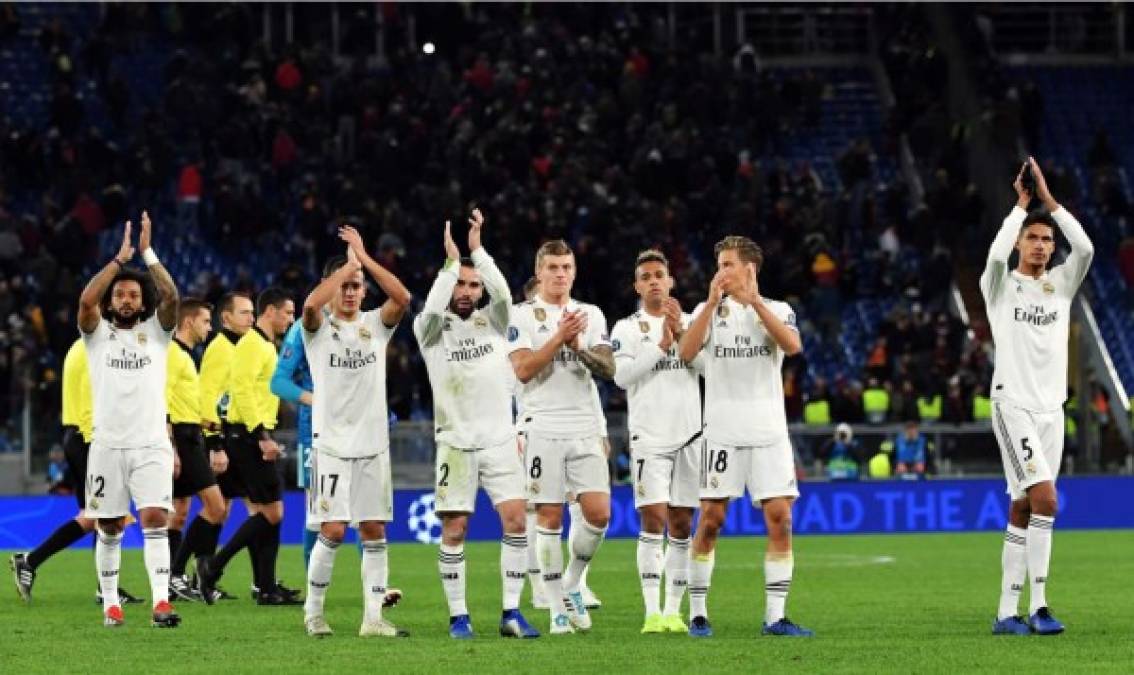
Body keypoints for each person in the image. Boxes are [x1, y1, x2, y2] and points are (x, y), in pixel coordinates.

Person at [678, 235, 814, 638]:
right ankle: (698, 613)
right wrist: (707, 303)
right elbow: (685, 353)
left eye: (727, 264)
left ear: (749, 268)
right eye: (719, 264)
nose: (720, 271)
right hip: (722, 433)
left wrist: (754, 303)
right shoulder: (708, 312)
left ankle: (775, 617)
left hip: (769, 433)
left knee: (781, 519)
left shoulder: (777, 309)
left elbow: (792, 346)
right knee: (712, 520)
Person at [415, 209, 540, 639]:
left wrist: (477, 251)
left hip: (500, 441)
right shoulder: (431, 330)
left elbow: (504, 294)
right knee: (455, 528)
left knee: (517, 522)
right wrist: (450, 267)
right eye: (460, 285)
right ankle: (458, 617)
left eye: (472, 285)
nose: (466, 292)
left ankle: (510, 613)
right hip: (456, 443)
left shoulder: (495, 322)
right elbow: (432, 303)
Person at [982, 157, 1092, 636]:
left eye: (1048, 239)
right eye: (1034, 237)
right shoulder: (1001, 287)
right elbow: (991, 258)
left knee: (1023, 506)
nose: (1043, 246)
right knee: (1046, 498)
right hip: (1014, 406)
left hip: (1052, 410)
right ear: (1020, 243)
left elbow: (1084, 247)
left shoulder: (1060, 285)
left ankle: (1007, 612)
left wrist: (1051, 203)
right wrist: (1022, 207)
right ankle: (1041, 605)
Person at [300, 225, 412, 638]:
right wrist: (342, 269)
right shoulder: (317, 331)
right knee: (331, 530)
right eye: (344, 286)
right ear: (332, 289)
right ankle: (314, 614)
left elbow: (402, 298)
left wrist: (363, 261)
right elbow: (311, 306)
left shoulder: (375, 325)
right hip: (330, 446)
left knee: (373, 530)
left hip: (372, 446)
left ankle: (373, 619)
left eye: (356, 286)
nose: (350, 292)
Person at [78, 212, 181, 628]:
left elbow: (172, 298)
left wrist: (147, 254)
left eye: (133, 296)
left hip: (151, 443)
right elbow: (86, 302)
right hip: (107, 444)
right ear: (111, 301)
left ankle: (161, 603)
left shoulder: (158, 333)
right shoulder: (96, 333)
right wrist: (119, 262)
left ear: (142, 302)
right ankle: (111, 605)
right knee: (109, 524)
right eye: (120, 295)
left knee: (156, 517)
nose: (126, 300)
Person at [508, 239, 615, 634]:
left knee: (600, 514)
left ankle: (570, 584)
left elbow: (608, 368)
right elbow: (522, 370)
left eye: (566, 267)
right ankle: (555, 610)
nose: (560, 274)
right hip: (542, 426)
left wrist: (579, 346)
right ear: (540, 273)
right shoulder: (521, 315)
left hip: (585, 426)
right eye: (552, 267)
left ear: (575, 271)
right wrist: (557, 339)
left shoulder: (591, 313)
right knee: (550, 516)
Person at [9, 338, 143, 606]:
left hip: (79, 436)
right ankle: (103, 588)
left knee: (94, 516)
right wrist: (99, 442)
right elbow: (89, 402)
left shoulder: (78, 347)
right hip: (89, 438)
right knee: (106, 513)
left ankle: (33, 563)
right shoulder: (95, 350)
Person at [610, 249, 702, 634]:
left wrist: (681, 333)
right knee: (653, 519)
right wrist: (661, 345)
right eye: (645, 276)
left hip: (690, 434)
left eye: (659, 275)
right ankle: (650, 612)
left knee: (682, 523)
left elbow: (705, 367)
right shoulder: (626, 328)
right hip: (649, 437)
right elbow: (622, 377)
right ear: (637, 285)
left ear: (670, 281)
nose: (653, 281)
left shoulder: (693, 320)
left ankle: (673, 611)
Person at [196, 287, 297, 606]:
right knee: (271, 512)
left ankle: (266, 587)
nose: (291, 319)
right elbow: (240, 389)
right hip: (248, 436)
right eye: (288, 313)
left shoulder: (262, 345)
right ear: (272, 312)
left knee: (267, 512)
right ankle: (213, 566)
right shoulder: (254, 345)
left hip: (247, 434)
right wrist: (262, 436)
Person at [166, 299, 227, 601]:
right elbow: (162, 404)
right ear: (188, 322)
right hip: (182, 439)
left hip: (192, 435)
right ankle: (175, 573)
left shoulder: (185, 355)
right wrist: (172, 448)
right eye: (205, 321)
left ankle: (174, 581)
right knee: (216, 507)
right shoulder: (174, 355)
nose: (210, 327)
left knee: (179, 513)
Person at [197, 291, 254, 600]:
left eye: (252, 312)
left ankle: (200, 575)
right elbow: (208, 396)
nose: (251, 318)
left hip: (230, 436)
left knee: (223, 509)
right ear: (226, 318)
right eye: (244, 312)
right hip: (219, 437)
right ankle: (196, 573)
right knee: (218, 509)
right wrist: (214, 442)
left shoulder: (240, 347)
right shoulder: (220, 349)